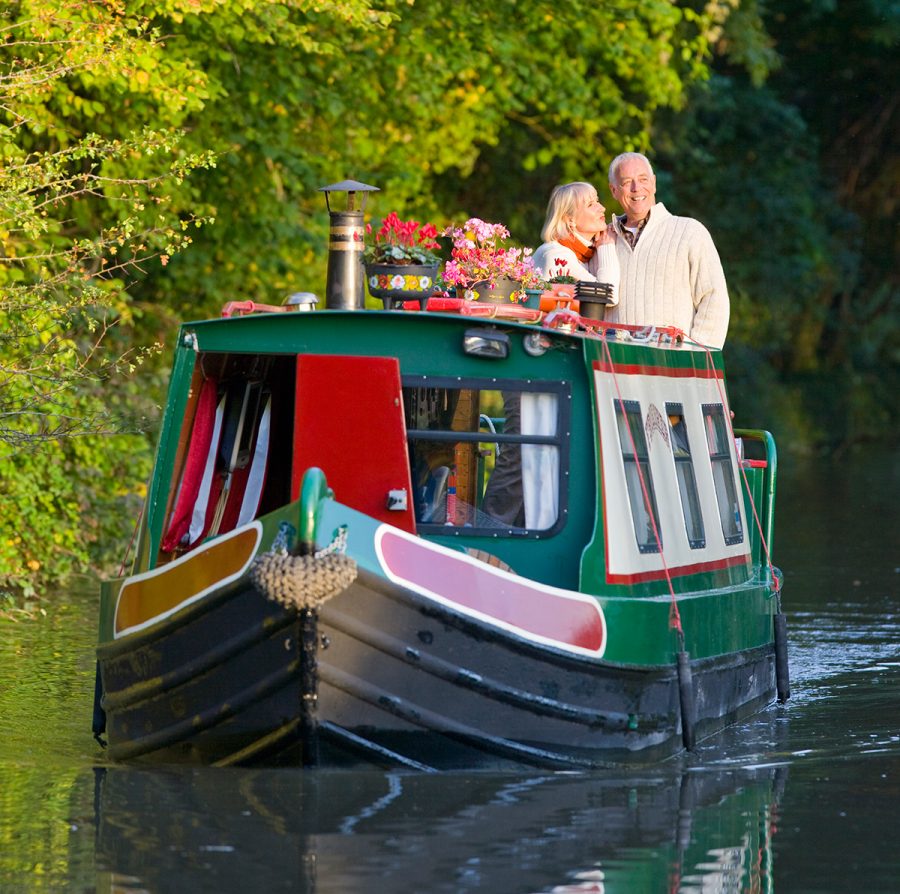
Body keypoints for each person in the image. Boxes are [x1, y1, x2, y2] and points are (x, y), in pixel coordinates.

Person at [606, 152, 729, 349]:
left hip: (674, 366)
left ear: (654, 183)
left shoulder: (689, 231)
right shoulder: (603, 240)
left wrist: (697, 355)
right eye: (627, 182)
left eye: (643, 179)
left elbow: (714, 298)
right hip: (617, 366)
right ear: (613, 190)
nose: (637, 188)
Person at [532, 181, 619, 301]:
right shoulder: (557, 255)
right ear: (570, 220)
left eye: (597, 201)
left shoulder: (583, 253)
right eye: (590, 204)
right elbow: (608, 297)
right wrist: (606, 246)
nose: (602, 208)